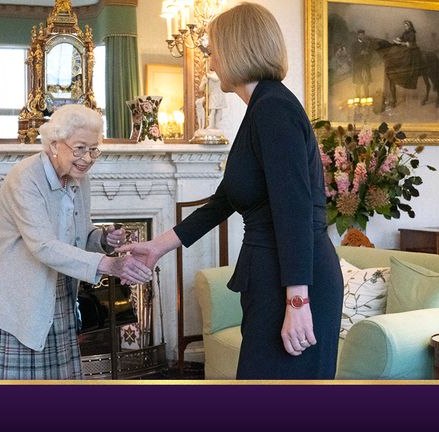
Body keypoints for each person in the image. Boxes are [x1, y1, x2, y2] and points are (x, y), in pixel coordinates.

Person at [117, 2, 343, 380]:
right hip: (274, 277)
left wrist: (298, 299)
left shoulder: (273, 109)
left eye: (213, 50)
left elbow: (294, 211)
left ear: (239, 48)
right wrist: (158, 246)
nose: (211, 61)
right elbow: (225, 201)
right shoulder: (261, 107)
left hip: (293, 283)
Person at [0, 104, 153, 380]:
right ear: (53, 145)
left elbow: (80, 236)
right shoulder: (24, 179)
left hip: (59, 291)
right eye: (80, 148)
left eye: (94, 149)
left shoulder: (78, 178)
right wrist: (109, 264)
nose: (87, 158)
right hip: (22, 296)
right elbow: (43, 245)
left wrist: (103, 239)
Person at [392, 19, 422, 89]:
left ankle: (408, 72)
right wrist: (397, 39)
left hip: (412, 48)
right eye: (404, 26)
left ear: (409, 26)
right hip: (405, 47)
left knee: (407, 57)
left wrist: (401, 43)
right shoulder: (405, 32)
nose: (405, 27)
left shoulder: (412, 33)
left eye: (406, 26)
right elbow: (402, 38)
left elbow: (410, 43)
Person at [351, 30, 372, 97]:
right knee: (358, 84)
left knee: (366, 83)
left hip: (365, 67)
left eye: (362, 35)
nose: (361, 36)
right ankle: (358, 98)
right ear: (357, 35)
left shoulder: (366, 44)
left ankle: (367, 97)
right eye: (360, 35)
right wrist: (360, 54)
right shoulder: (354, 45)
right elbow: (352, 56)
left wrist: (368, 54)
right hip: (358, 67)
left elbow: (371, 55)